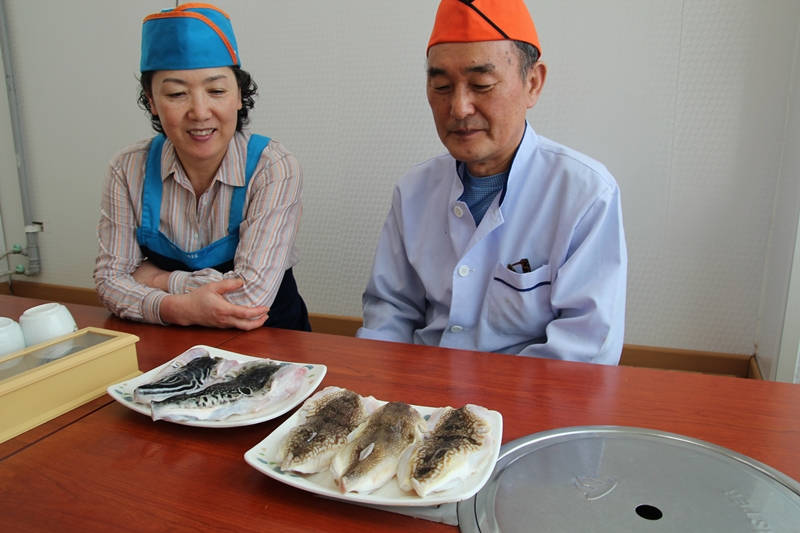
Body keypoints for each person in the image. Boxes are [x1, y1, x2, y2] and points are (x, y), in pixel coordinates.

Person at [357, 0, 627, 364]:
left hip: (527, 404)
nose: (459, 108)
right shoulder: (414, 190)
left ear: (532, 83)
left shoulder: (586, 194)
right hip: (419, 395)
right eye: (441, 86)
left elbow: (584, 350)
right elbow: (390, 310)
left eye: (481, 84)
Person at [94, 3, 310, 331]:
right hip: (169, 339)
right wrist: (180, 309)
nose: (199, 111)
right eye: (177, 93)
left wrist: (157, 278)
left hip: (270, 340)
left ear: (239, 95)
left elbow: (251, 297)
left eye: (216, 90)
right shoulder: (127, 169)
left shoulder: (273, 167)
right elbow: (109, 281)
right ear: (151, 101)